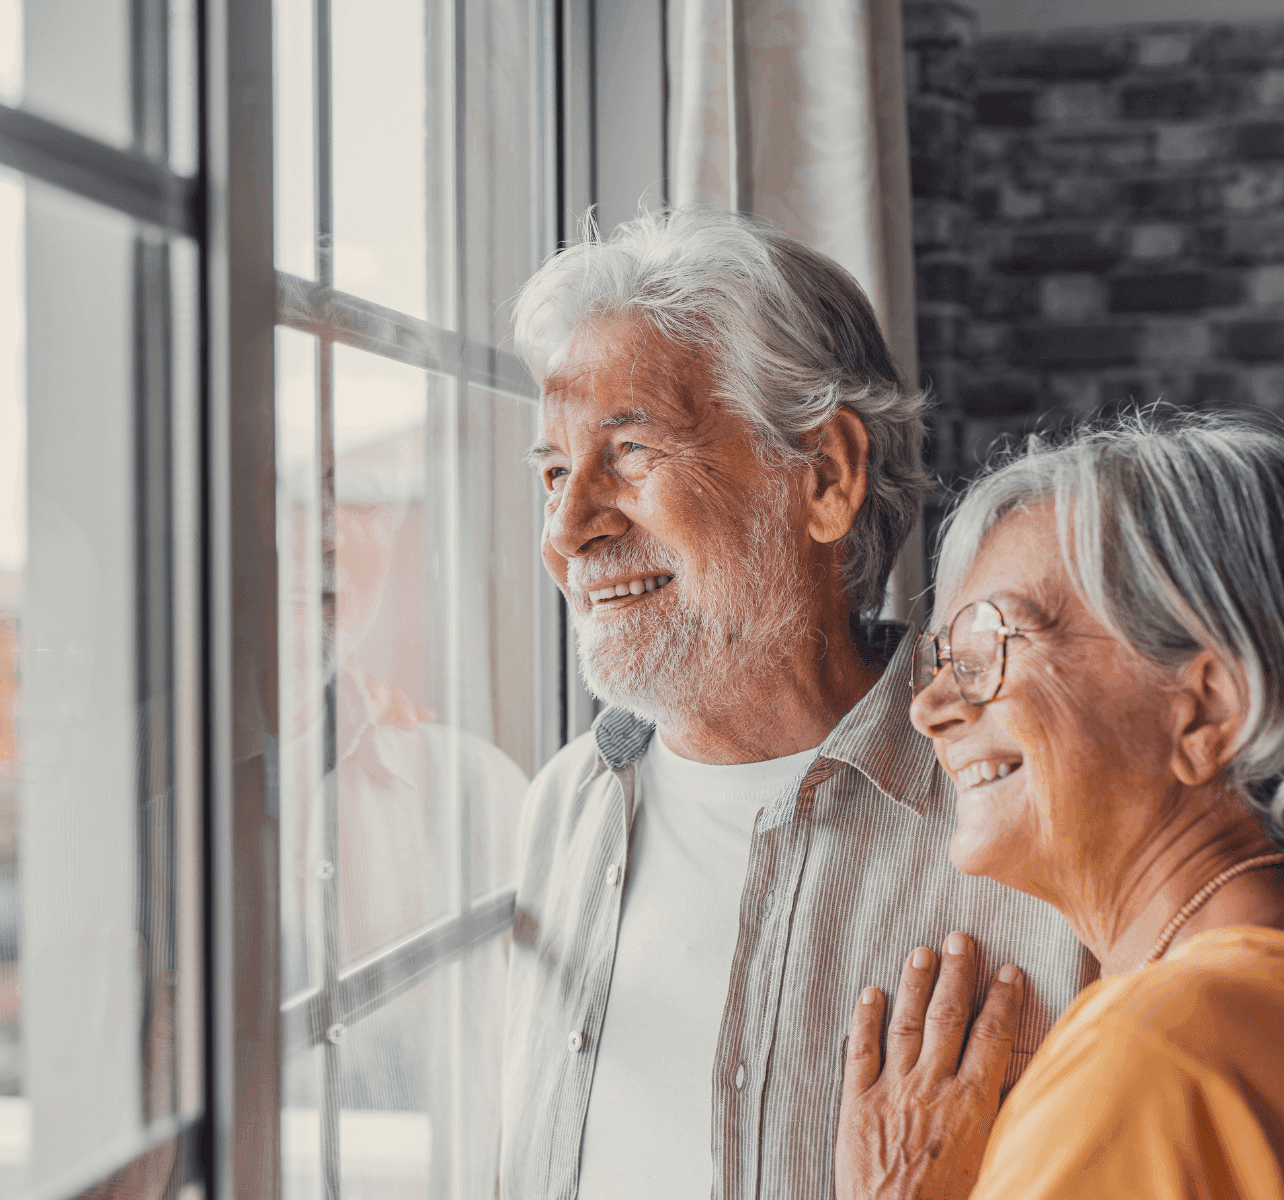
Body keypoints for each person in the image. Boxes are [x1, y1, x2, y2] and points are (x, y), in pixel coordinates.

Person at [499, 206, 1093, 1200]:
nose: (567, 529)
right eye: (553, 470)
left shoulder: (1043, 819)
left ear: (822, 476)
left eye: (629, 452)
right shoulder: (562, 807)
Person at [834, 410, 1284, 1200]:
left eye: (986, 650)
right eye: (942, 663)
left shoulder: (1151, 1058)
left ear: (1208, 710)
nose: (929, 709)